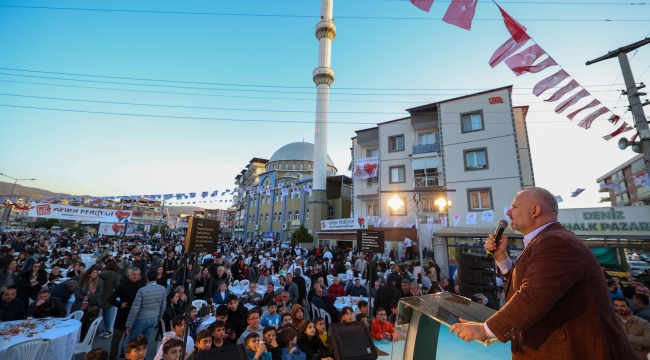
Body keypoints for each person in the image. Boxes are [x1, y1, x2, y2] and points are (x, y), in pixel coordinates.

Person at [450, 187, 637, 359]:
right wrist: (501, 257)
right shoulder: (546, 240)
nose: (508, 212)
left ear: (534, 211)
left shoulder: (555, 242)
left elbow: (533, 296)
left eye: (514, 207)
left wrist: (486, 329)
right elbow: (533, 282)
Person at [124, 269, 167, 354]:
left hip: (141, 319)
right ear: (157, 278)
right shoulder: (162, 289)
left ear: (147, 278)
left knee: (129, 342)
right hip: (153, 318)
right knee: (144, 342)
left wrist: (129, 324)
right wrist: (159, 318)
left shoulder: (142, 290)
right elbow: (163, 306)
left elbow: (135, 309)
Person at [109, 268, 144, 360]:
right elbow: (111, 299)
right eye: (134, 274)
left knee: (129, 339)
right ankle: (112, 356)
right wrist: (120, 304)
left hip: (135, 316)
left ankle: (124, 355)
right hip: (123, 315)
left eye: (137, 274)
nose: (135, 276)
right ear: (129, 275)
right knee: (117, 338)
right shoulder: (122, 286)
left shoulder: (142, 285)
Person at [99, 262, 120, 339]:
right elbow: (117, 287)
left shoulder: (100, 274)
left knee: (95, 314)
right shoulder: (115, 275)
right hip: (108, 296)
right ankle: (107, 330)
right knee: (107, 315)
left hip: (98, 296)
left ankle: (92, 331)